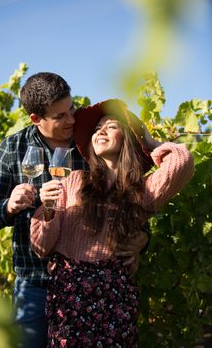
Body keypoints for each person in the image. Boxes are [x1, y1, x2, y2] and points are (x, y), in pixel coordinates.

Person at [0, 74, 149, 348]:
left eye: (71, 108)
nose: (71, 119)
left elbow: (126, 192)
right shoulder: (12, 149)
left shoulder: (91, 141)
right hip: (35, 281)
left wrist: (143, 236)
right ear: (36, 119)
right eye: (60, 116)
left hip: (88, 285)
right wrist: (9, 206)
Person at [30, 99, 194, 347]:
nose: (101, 131)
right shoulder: (74, 180)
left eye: (111, 126)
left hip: (114, 294)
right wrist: (49, 208)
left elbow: (181, 162)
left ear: (127, 139)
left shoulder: (143, 190)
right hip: (69, 292)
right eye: (97, 129)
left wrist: (147, 141)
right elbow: (41, 246)